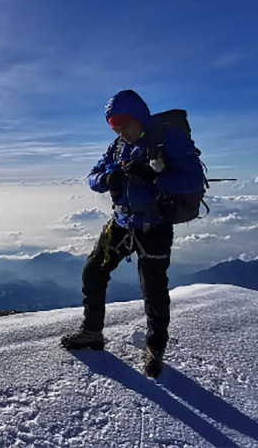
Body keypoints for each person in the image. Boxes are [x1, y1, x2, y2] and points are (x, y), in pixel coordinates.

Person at [61, 89, 205, 379]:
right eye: (115, 127)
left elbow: (194, 178)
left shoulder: (167, 139)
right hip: (122, 222)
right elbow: (92, 177)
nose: (120, 132)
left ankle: (155, 349)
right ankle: (92, 333)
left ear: (139, 118)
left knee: (153, 290)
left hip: (154, 225)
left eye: (124, 125)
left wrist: (155, 177)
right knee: (93, 272)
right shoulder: (117, 146)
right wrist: (106, 179)